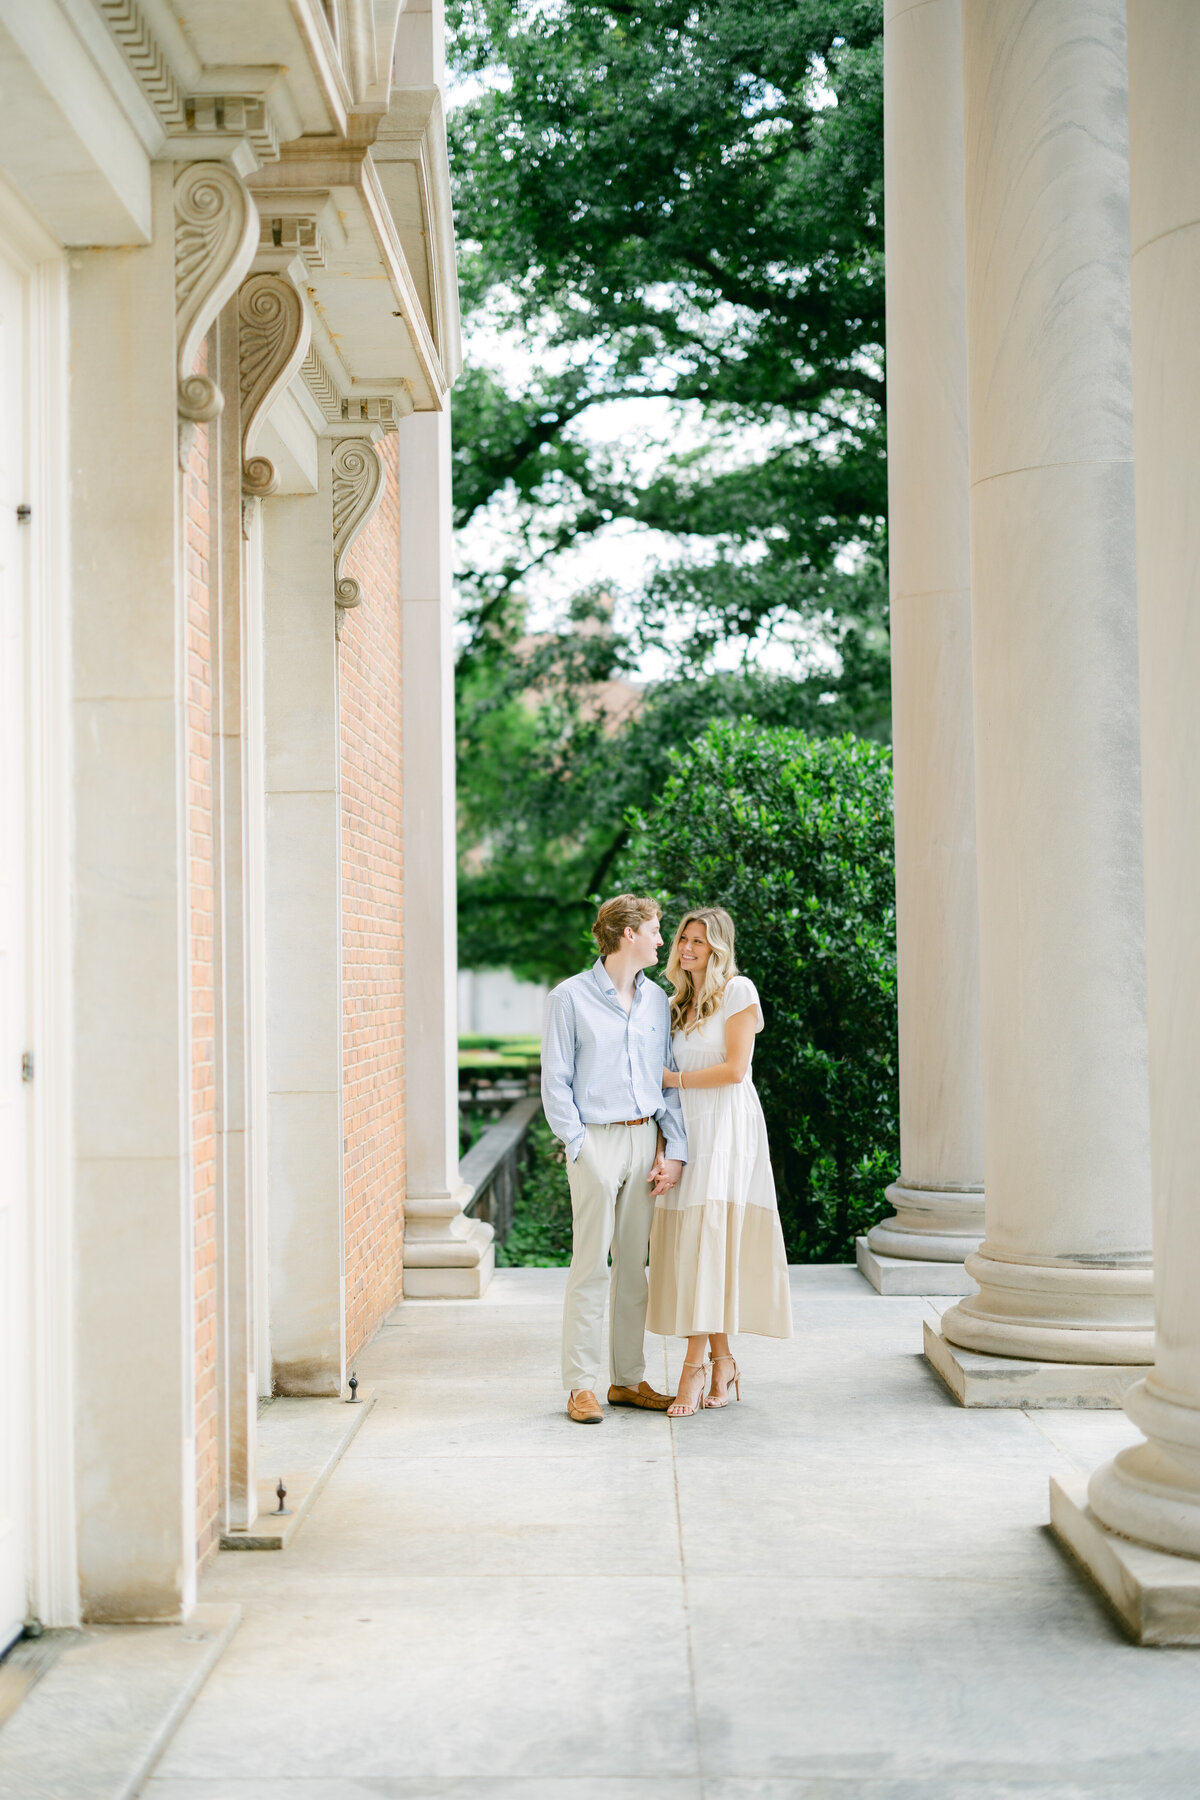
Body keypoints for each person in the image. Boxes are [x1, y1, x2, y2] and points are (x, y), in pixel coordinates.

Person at [541, 894, 688, 1423]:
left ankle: (627, 1380)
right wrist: (579, 1147)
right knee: (590, 1267)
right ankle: (579, 1385)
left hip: (645, 1140)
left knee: (634, 1268)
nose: (660, 939)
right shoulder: (569, 998)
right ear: (628, 934)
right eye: (654, 929)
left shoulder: (656, 1001)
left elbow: (665, 1079)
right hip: (595, 1143)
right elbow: (555, 1081)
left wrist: (674, 1151)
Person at [647, 907, 792, 1416]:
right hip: (690, 1132)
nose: (686, 948)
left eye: (699, 943)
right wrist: (667, 1148)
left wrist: (673, 1079)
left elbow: (735, 1070)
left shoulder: (738, 991)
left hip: (728, 1129)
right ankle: (724, 1360)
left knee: (707, 1243)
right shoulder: (672, 1005)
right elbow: (661, 1094)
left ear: (718, 949)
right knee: (699, 1247)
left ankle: (692, 1371)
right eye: (683, 939)